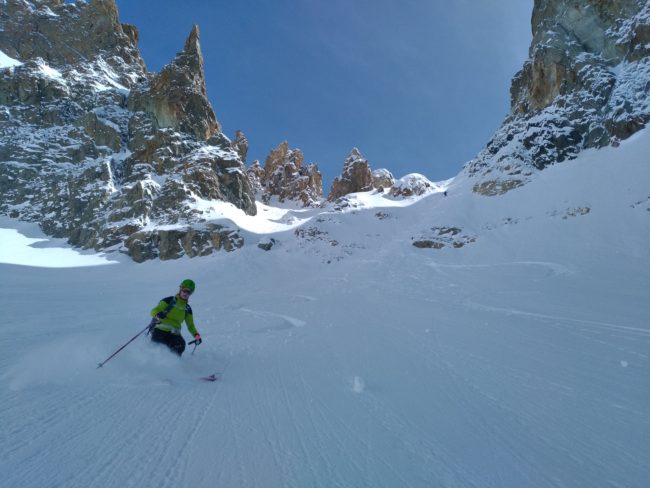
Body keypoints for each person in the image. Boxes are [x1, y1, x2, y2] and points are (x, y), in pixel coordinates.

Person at [149, 279, 202, 356]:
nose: (186, 293)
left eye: (189, 292)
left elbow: (190, 325)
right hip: (160, 330)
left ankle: (172, 365)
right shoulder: (168, 300)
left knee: (180, 345)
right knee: (157, 349)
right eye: (184, 290)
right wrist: (158, 314)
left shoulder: (187, 309)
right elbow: (153, 311)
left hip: (174, 334)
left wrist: (196, 335)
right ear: (180, 289)